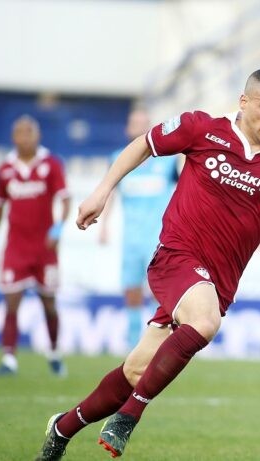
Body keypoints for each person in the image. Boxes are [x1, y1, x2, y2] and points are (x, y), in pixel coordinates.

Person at [35, 69, 260, 460]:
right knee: (205, 322)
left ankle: (61, 429)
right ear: (244, 101)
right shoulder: (201, 128)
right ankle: (128, 416)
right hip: (176, 256)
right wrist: (102, 191)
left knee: (136, 372)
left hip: (217, 282)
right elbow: (143, 144)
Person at [0, 115, 71, 377]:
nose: (24, 137)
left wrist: (57, 230)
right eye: (20, 133)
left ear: (38, 135)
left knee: (49, 303)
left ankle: (54, 353)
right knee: (11, 301)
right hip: (15, 248)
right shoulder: (6, 168)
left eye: (29, 132)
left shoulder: (51, 164)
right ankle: (9, 359)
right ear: (13, 137)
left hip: (44, 249)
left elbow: (65, 200)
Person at [99, 108, 180, 349]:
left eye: (143, 123)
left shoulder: (167, 160)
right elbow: (110, 191)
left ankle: (161, 341)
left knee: (159, 290)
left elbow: (183, 190)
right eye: (135, 123)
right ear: (128, 128)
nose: (139, 127)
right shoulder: (118, 158)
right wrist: (104, 225)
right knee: (131, 289)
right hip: (131, 237)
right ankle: (134, 341)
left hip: (158, 237)